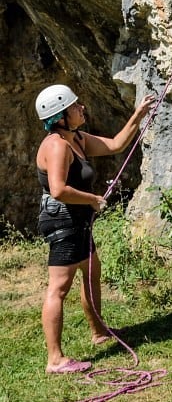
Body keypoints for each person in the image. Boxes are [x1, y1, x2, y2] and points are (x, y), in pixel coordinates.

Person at [35, 84, 154, 374]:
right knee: (59, 287)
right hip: (63, 221)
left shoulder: (76, 138)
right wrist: (93, 200)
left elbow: (115, 145)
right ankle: (55, 359)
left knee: (91, 274)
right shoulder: (56, 145)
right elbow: (59, 189)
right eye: (75, 106)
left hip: (78, 221)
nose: (81, 108)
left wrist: (137, 115)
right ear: (60, 116)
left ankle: (99, 332)